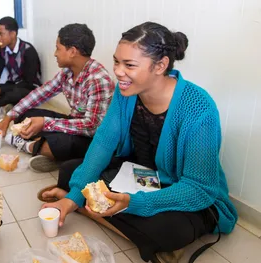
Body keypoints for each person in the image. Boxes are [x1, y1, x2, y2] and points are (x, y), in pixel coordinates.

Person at [41, 22, 238, 263]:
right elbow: (103, 142)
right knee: (70, 171)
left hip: (185, 190)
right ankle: (95, 209)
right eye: (116, 61)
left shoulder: (198, 107)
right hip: (143, 177)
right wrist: (74, 196)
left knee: (168, 229)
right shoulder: (126, 93)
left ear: (161, 65)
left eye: (129, 65)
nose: (118, 72)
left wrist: (134, 203)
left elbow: (199, 188)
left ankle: (101, 212)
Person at [0, 23, 114, 173]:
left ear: (72, 51)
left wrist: (45, 123)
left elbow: (91, 127)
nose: (55, 53)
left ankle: (33, 147)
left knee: (57, 142)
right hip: (75, 123)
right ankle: (46, 151)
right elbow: (40, 93)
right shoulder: (67, 72)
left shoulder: (97, 79)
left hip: (94, 138)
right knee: (25, 116)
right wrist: (8, 118)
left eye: (58, 48)